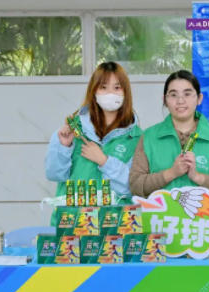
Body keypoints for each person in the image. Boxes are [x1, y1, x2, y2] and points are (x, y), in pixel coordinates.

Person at [129, 70, 209, 197]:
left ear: (199, 99)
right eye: (173, 95)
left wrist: (198, 177)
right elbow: (135, 185)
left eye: (187, 94)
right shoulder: (149, 137)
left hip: (204, 211)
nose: (180, 100)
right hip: (162, 211)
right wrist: (171, 173)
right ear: (165, 100)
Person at [45, 62, 142, 204]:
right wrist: (64, 147)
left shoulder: (137, 138)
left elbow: (133, 187)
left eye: (117, 88)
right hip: (73, 217)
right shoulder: (72, 130)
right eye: (103, 87)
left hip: (114, 218)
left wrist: (104, 161)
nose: (110, 93)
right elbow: (54, 174)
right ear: (94, 90)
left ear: (125, 92)